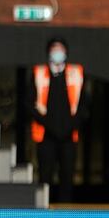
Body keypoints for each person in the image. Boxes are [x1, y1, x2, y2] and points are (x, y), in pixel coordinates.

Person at [28, 38, 86, 203]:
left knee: (67, 174)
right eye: (54, 49)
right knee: (45, 173)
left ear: (66, 53)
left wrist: (71, 125)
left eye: (60, 49)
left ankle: (65, 208)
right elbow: (29, 103)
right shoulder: (38, 73)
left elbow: (84, 105)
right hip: (46, 134)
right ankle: (44, 206)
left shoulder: (77, 73)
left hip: (68, 134)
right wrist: (47, 123)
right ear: (48, 52)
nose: (57, 52)